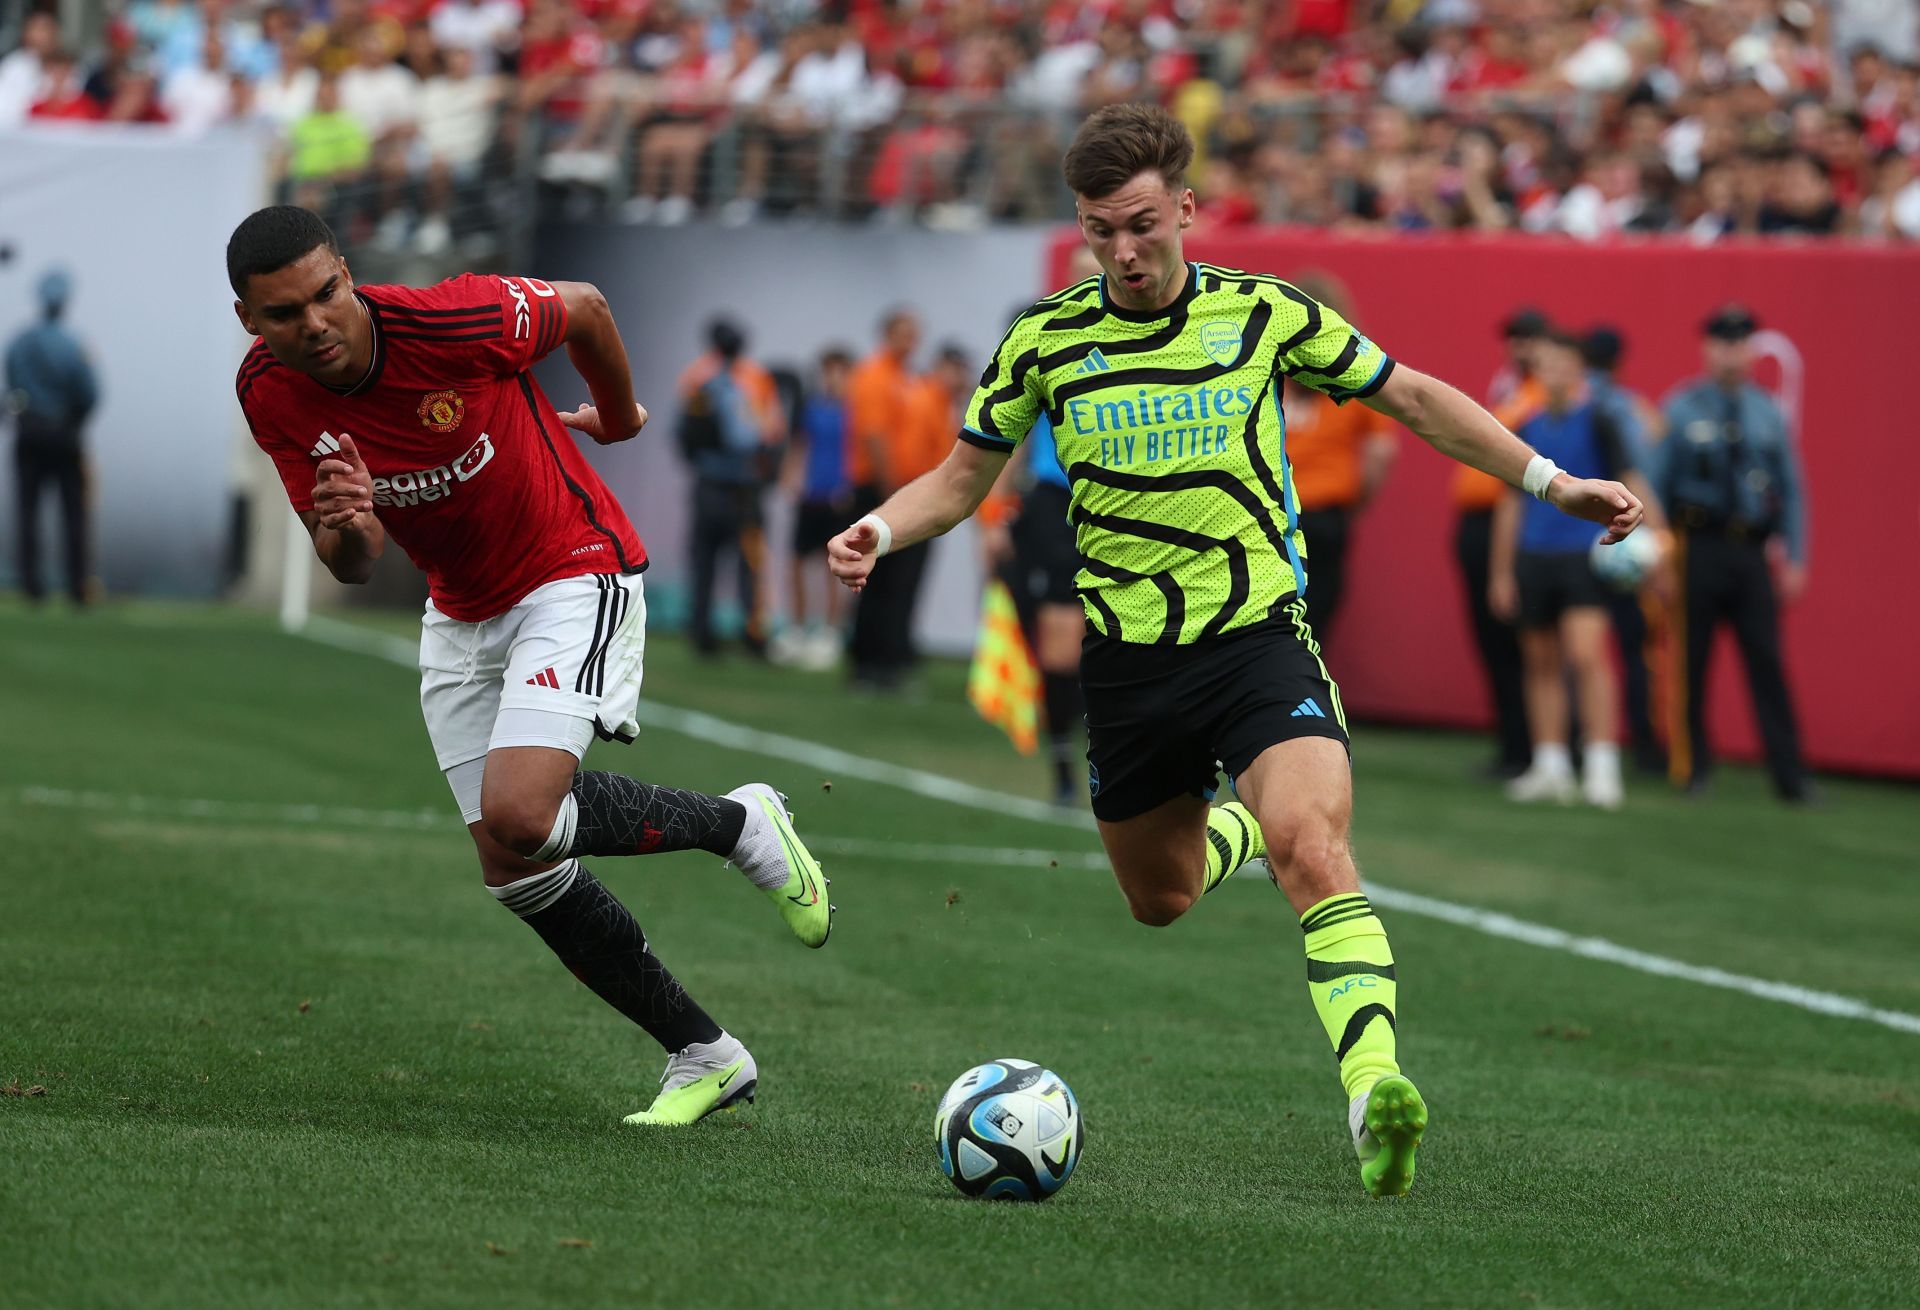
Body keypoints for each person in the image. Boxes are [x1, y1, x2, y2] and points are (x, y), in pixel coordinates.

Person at [828, 104, 1643, 1197]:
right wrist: (880, 525)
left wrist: (1551, 481)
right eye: (1102, 229)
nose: (1125, 250)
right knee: (1159, 895)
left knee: (1311, 841)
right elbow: (963, 478)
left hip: (1256, 638)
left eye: (1144, 224)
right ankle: (1241, 825)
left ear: (1187, 210)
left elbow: (1408, 395)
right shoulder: (1046, 341)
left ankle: (1372, 1087)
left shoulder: (1267, 315)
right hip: (1130, 666)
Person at [228, 206, 830, 1127]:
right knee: (513, 868)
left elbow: (584, 307)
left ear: (348, 275)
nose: (314, 323)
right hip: (461, 609)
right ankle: (704, 1054)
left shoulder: (450, 320)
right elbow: (348, 559)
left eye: (326, 294)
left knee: (521, 812)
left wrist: (622, 417)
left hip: (571, 568)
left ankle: (739, 823)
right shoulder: (269, 391)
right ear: (250, 321)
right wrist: (348, 525)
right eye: (284, 314)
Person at [1490, 329, 1665, 809]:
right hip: (1533, 557)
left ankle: (1601, 765)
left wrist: (1659, 538)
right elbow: (1509, 505)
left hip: (1585, 558)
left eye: (1565, 365)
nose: (1556, 374)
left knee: (1587, 658)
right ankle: (1550, 765)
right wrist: (1501, 572)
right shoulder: (1524, 426)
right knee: (1540, 662)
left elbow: (1632, 479)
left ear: (1579, 372)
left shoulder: (1602, 420)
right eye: (1547, 365)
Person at [1652, 304, 1813, 803]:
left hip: (1749, 550)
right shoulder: (1680, 407)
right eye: (1722, 342)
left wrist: (1798, 557)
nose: (1731, 352)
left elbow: (1791, 488)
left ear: (1751, 349)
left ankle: (1790, 776)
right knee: (1691, 663)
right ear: (1707, 348)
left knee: (1767, 661)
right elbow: (1653, 487)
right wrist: (1660, 558)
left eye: (1741, 342)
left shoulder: (1766, 411)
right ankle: (1693, 766)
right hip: (1697, 545)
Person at [1281, 272, 1399, 651]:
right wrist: (1354, 502)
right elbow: (1381, 453)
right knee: (1315, 623)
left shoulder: (1273, 367)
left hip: (1274, 514)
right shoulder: (1353, 371)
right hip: (1326, 514)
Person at [1453, 307, 1546, 780]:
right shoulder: (1507, 386)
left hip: (1516, 523)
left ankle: (1535, 748)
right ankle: (1513, 745)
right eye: (1513, 337)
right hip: (1477, 521)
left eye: (1529, 337)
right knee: (1493, 641)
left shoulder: (1546, 395)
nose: (1519, 346)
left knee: (1521, 642)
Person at [1583, 325, 1667, 774]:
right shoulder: (1633, 410)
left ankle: (1582, 742)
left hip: (1579, 540)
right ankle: (1646, 744)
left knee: (1580, 650)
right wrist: (1660, 538)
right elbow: (1641, 472)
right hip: (1627, 538)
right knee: (1635, 648)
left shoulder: (1574, 405)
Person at [675, 316, 783, 658]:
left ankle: (703, 633)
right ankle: (751, 635)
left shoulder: (698, 375)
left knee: (710, 560)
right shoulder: (753, 377)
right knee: (746, 561)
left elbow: (682, 434)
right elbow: (769, 432)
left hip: (714, 483)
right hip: (740, 486)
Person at [6, 269, 99, 606]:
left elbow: (12, 389)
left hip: (29, 432)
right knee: (73, 513)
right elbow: (90, 395)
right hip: (64, 435)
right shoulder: (74, 346)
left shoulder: (19, 342)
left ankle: (31, 586)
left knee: (28, 511)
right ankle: (77, 587)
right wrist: (73, 423)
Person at [844, 306, 920, 689]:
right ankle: (867, 662)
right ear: (888, 333)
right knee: (876, 577)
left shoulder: (905, 378)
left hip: (895, 488)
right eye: (906, 332)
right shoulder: (875, 375)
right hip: (878, 490)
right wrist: (894, 495)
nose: (913, 340)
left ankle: (885, 659)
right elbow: (874, 437)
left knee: (894, 580)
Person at [778, 345, 855, 669]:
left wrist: (849, 486)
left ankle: (829, 633)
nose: (834, 377)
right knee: (796, 563)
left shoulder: (855, 410)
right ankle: (796, 630)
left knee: (833, 567)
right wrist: (791, 478)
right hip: (810, 496)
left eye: (840, 370)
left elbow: (858, 453)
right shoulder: (811, 407)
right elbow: (799, 446)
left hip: (837, 498)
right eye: (829, 370)